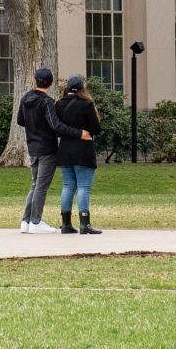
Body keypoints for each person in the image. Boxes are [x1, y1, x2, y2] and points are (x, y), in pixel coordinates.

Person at [18, 66, 92, 233]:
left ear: (34, 80)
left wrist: (34, 126)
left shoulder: (25, 98)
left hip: (32, 147)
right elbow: (55, 125)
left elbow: (21, 120)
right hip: (47, 148)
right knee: (41, 186)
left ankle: (26, 221)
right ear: (50, 83)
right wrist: (80, 133)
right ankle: (35, 221)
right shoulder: (47, 102)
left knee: (35, 184)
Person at [54, 75, 102, 235]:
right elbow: (95, 129)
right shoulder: (87, 104)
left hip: (65, 149)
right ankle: (84, 223)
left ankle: (66, 223)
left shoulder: (59, 104)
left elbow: (57, 127)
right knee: (84, 186)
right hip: (83, 149)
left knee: (68, 186)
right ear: (82, 88)